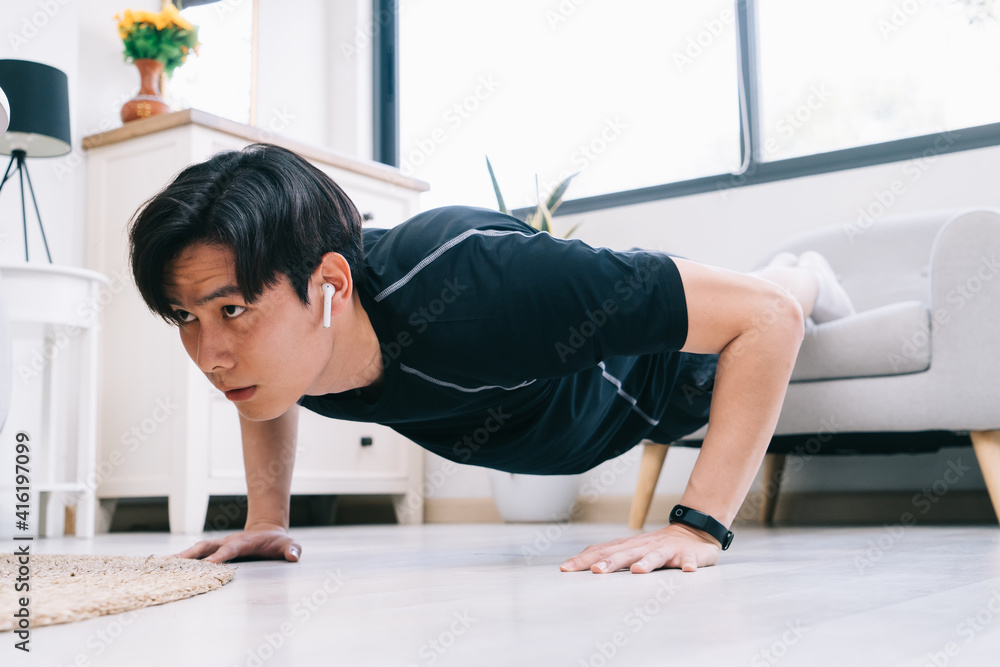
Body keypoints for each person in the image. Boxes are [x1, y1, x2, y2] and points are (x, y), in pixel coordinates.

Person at [127, 143, 855, 574]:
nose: (212, 356)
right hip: (572, 404)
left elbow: (764, 321)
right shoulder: (288, 340)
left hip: (668, 372)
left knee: (776, 292)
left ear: (331, 287)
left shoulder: (476, 279)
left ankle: (805, 267)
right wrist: (267, 518)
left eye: (230, 311)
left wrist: (697, 527)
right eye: (187, 318)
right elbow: (266, 396)